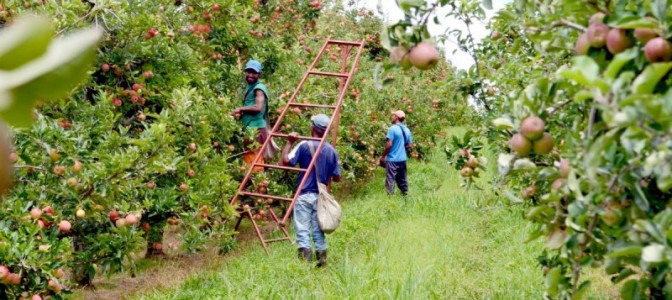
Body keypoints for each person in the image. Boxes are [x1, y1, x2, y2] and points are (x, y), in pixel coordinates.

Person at [281, 114, 341, 267]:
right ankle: (321, 262)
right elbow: (337, 177)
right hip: (320, 197)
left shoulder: (304, 145)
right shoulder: (331, 151)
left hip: (304, 194)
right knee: (317, 230)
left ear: (313, 127)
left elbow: (286, 162)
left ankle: (305, 265)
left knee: (302, 229)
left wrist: (289, 142)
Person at [231, 59, 274, 172]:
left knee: (254, 160)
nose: (250, 75)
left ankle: (255, 184)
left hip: (256, 129)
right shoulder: (251, 87)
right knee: (250, 158)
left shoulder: (259, 88)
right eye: (248, 72)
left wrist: (240, 109)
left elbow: (258, 107)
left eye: (254, 73)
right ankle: (252, 183)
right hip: (250, 128)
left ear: (259, 74)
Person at [379, 110, 413, 196]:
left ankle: (390, 198)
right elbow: (410, 145)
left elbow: (389, 144)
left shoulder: (393, 128)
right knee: (402, 179)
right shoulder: (407, 130)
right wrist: (401, 148)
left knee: (390, 179)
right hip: (402, 159)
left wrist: (383, 156)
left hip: (392, 159)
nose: (392, 117)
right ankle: (405, 196)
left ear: (396, 118)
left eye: (393, 116)